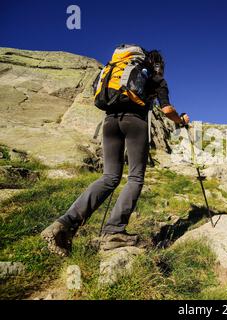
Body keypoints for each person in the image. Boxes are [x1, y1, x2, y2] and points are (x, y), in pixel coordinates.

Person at [41, 49, 189, 256]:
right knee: (135, 177)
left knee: (109, 177)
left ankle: (63, 224)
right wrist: (181, 121)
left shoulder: (122, 71)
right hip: (134, 122)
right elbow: (166, 110)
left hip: (109, 121)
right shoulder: (155, 78)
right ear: (158, 65)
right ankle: (114, 232)